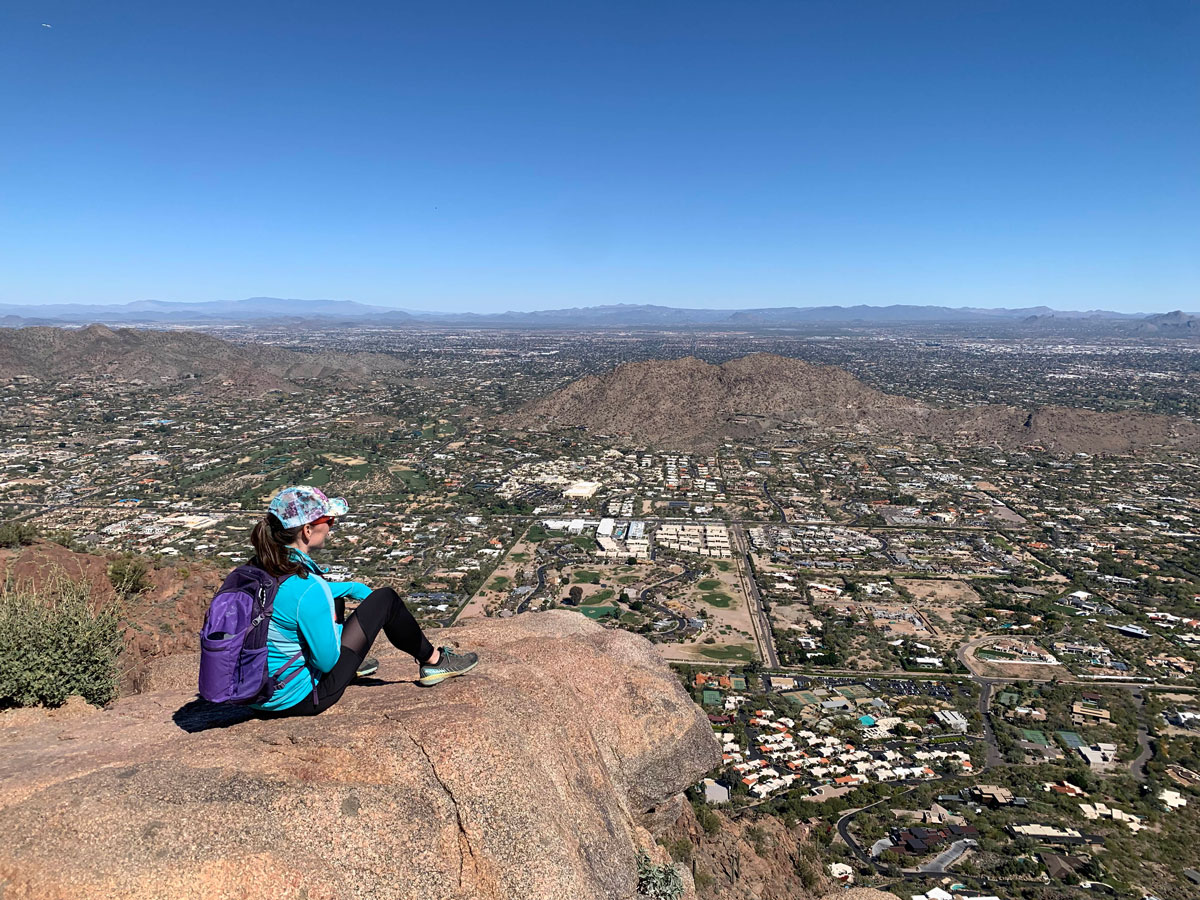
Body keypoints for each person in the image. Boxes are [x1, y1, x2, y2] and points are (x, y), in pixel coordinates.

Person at [247, 485, 478, 716]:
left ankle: (353, 666)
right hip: (298, 698)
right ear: (307, 530)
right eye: (329, 521)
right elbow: (326, 663)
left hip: (253, 692)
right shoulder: (309, 588)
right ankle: (434, 662)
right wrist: (341, 633)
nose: (331, 528)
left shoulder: (256, 568)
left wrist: (350, 587)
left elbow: (292, 599)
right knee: (385, 598)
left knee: (334, 598)